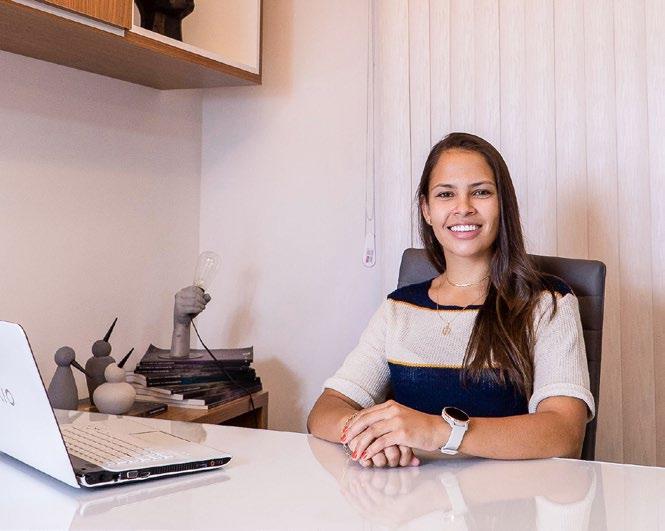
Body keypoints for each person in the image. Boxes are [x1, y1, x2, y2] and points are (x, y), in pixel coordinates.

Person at [307, 132, 594, 468]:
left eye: (481, 192)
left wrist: (438, 431)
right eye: (446, 194)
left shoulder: (548, 303)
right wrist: (366, 433)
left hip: (509, 498)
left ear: (503, 205)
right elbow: (326, 409)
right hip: (410, 496)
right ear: (426, 210)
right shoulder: (398, 309)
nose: (463, 208)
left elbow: (564, 433)